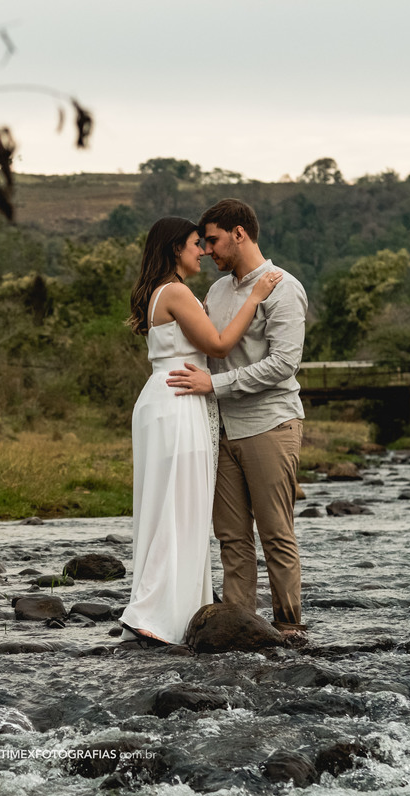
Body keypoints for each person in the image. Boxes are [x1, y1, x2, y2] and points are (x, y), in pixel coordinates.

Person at [120, 216, 282, 646]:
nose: (204, 251)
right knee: (181, 507)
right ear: (176, 248)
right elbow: (219, 345)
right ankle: (156, 613)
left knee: (165, 506)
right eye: (196, 244)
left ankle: (161, 609)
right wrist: (256, 295)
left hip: (163, 397)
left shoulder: (160, 292)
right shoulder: (175, 291)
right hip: (180, 400)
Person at [167, 198, 308, 639]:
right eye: (203, 243)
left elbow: (284, 363)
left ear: (239, 233)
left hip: (270, 425)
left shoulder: (285, 287)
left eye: (212, 239)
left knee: (276, 535)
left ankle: (288, 629)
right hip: (220, 429)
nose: (206, 250)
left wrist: (216, 386)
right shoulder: (217, 291)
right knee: (231, 538)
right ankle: (237, 629)